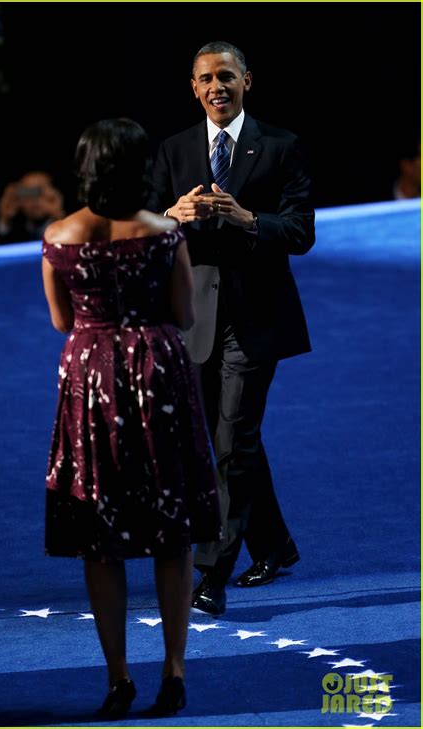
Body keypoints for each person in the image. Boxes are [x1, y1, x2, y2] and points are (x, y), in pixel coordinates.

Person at [42, 119, 221, 719]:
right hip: (157, 377)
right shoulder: (165, 233)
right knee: (171, 527)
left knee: (100, 530)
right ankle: (174, 671)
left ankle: (118, 678)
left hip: (91, 381)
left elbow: (62, 322)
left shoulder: (59, 236)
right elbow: (184, 313)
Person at [152, 41, 315, 616]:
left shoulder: (281, 146)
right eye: (205, 78)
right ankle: (275, 544)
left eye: (226, 75)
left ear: (247, 80)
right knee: (222, 438)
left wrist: (249, 220)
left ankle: (209, 573)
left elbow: (300, 231)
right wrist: (172, 215)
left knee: (232, 439)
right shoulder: (173, 150)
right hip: (193, 318)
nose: (216, 86)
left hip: (256, 318)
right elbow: (144, 225)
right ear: (193, 88)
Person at [0, 170, 64, 242]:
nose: (35, 201)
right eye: (29, 192)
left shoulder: (71, 223)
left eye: (40, 192)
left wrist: (58, 215)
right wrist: (4, 218)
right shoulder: (16, 228)